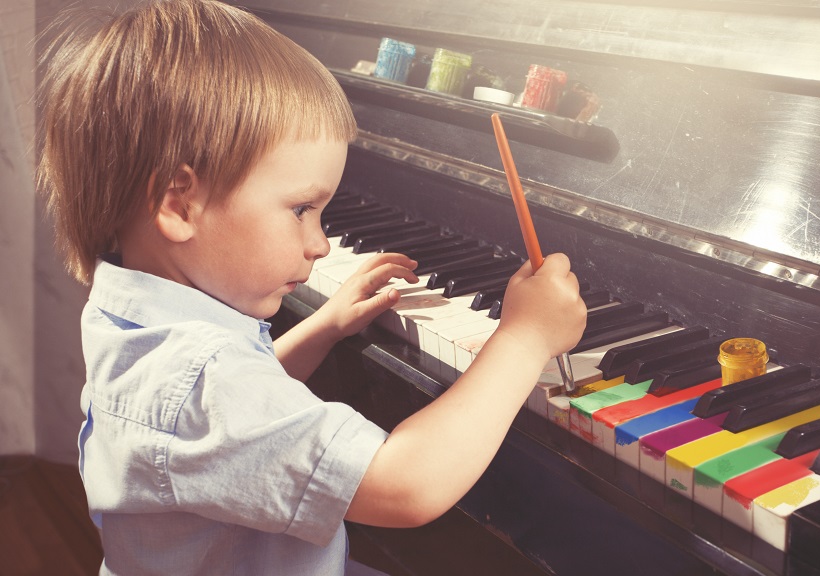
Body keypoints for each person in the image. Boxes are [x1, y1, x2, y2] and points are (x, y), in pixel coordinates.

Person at [36, 0, 588, 573]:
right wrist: (524, 338)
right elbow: (407, 486)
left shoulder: (133, 318)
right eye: (302, 208)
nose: (321, 244)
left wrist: (322, 327)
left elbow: (238, 409)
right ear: (179, 204)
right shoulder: (203, 384)